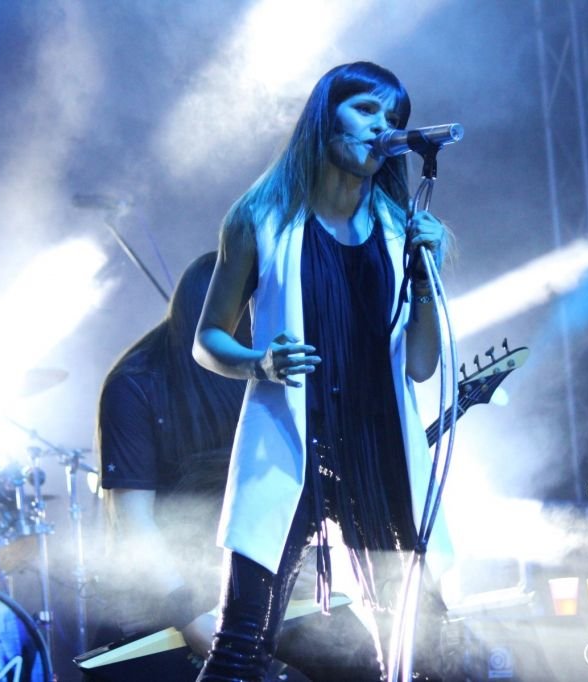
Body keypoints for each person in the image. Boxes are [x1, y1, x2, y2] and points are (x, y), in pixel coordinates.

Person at [192, 61, 454, 681]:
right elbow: (206, 340)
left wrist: (425, 276)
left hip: (379, 455)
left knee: (421, 649)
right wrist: (259, 362)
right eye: (366, 109)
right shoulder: (260, 217)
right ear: (324, 115)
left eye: (394, 117)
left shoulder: (401, 230)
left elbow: (421, 366)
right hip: (293, 449)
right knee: (241, 646)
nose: (382, 126)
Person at [96, 252, 248, 659]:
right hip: (161, 594)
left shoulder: (260, 365)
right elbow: (135, 519)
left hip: (236, 574)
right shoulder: (135, 385)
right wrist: (187, 612)